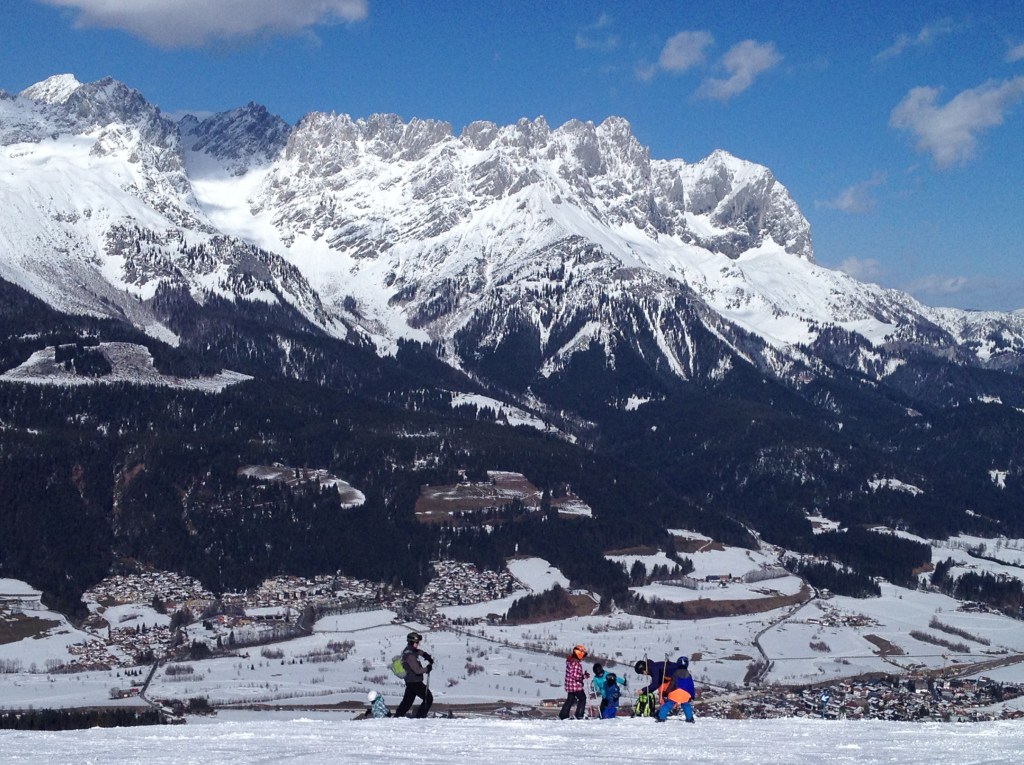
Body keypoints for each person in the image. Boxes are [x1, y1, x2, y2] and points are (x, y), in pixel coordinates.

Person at [394, 631, 434, 718]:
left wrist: (425, 655)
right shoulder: (410, 655)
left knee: (407, 703)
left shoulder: (410, 650)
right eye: (416, 642)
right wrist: (427, 669)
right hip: (414, 682)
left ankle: (397, 717)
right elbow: (417, 670)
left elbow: (417, 651)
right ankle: (420, 717)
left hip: (411, 681)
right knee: (428, 698)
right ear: (411, 642)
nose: (418, 644)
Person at [654, 655, 695, 723]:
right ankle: (690, 718)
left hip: (675, 693)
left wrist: (666, 692)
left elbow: (672, 684)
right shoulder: (689, 675)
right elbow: (691, 686)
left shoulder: (675, 673)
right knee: (686, 705)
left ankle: (661, 717)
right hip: (685, 694)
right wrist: (692, 696)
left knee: (668, 705)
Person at [558, 644, 590, 719]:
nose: (583, 658)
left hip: (569, 686)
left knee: (570, 700)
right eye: (583, 656)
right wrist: (584, 676)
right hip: (576, 686)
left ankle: (563, 715)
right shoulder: (576, 664)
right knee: (582, 698)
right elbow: (575, 676)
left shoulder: (570, 662)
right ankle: (579, 715)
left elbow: (572, 674)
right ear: (579, 654)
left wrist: (582, 675)